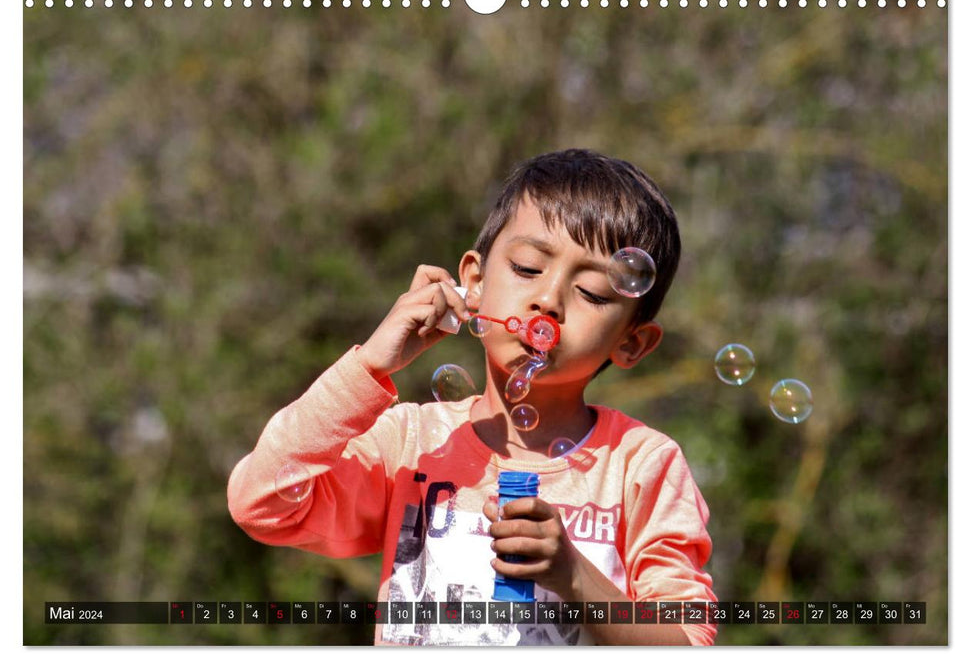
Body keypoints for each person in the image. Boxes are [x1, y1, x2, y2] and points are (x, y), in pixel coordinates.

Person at [227, 149, 717, 645]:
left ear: (632, 342)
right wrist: (370, 366)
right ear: (476, 282)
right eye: (528, 268)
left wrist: (575, 577)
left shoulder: (641, 465)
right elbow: (262, 502)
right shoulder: (413, 443)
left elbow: (689, 646)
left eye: (591, 292)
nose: (548, 300)